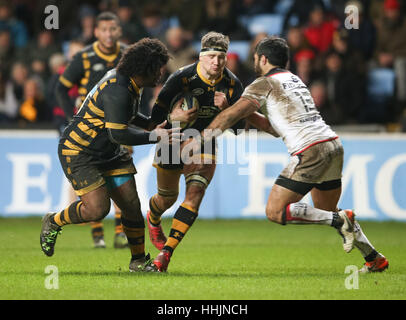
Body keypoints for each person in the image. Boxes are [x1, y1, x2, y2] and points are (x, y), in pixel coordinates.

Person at [191, 36, 388, 273]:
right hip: (332, 145)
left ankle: (341, 220)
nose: (255, 62)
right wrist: (242, 113)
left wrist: (201, 139)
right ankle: (374, 257)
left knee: (275, 211)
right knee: (326, 211)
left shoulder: (264, 83)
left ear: (263, 58)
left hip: (311, 150)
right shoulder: (294, 80)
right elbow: (275, 129)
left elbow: (231, 117)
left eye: (255, 58)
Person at [40, 38, 180, 272]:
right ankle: (53, 220)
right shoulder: (118, 88)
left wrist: (151, 126)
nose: (160, 73)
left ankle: (138, 262)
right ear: (144, 67)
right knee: (97, 209)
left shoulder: (128, 83)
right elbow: (118, 134)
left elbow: (124, 117)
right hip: (80, 151)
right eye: (157, 68)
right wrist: (155, 136)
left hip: (110, 152)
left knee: (132, 206)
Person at [145, 31, 247, 272]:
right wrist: (174, 118)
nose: (217, 62)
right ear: (201, 57)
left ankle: (164, 255)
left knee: (195, 195)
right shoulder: (180, 78)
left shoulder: (233, 85)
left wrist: (228, 111)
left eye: (221, 57)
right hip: (172, 141)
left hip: (205, 143)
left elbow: (240, 129)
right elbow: (155, 121)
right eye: (211, 56)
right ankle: (153, 217)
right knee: (166, 199)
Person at [55, 11, 129, 249]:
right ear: (96, 32)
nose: (109, 34)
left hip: (117, 126)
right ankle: (98, 235)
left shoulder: (127, 55)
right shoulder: (84, 57)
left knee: (119, 176)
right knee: (91, 178)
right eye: (104, 30)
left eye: (113, 29)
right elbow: (60, 88)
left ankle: (120, 233)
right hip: (88, 130)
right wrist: (70, 119)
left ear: (119, 31)